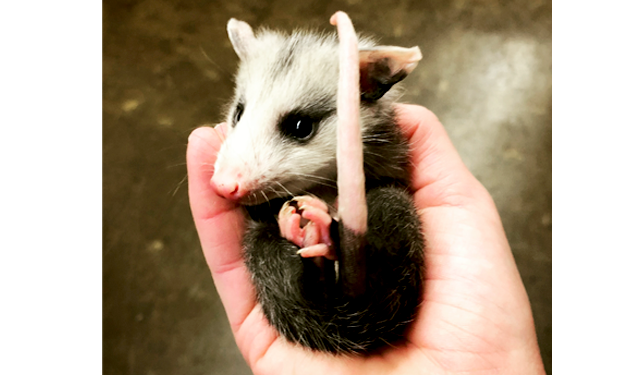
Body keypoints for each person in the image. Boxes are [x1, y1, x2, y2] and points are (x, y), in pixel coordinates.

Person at [186, 104, 546, 374]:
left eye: (298, 126)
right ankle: (314, 264)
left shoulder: (374, 154)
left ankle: (324, 256)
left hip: (379, 297)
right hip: (319, 309)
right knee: (261, 244)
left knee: (390, 205)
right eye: (240, 112)